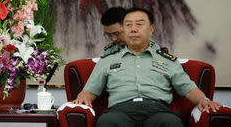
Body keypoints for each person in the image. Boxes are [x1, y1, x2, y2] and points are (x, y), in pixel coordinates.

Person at [74, 7, 222, 127]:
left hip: (158, 111)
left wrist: (203, 99)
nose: (133, 29)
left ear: (151, 29)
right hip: (120, 111)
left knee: (170, 123)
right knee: (107, 122)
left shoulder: (167, 60)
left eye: (139, 24)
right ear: (124, 30)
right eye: (128, 25)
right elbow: (89, 91)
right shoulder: (107, 60)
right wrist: (82, 99)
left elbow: (188, 88)